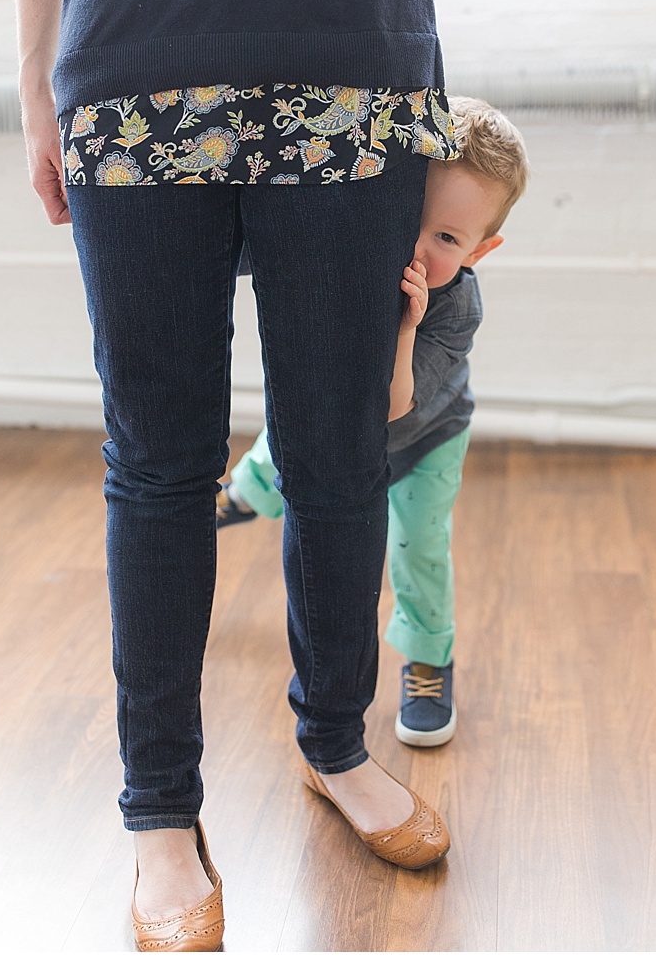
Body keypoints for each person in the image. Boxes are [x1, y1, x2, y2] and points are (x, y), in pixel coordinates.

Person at [12, 0, 524, 949]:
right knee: (161, 462)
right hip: (134, 78)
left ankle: (332, 744)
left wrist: (424, 100)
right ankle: (159, 811)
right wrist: (35, 89)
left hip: (355, 82)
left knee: (339, 446)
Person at [218, 97, 530, 751]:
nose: (418, 248)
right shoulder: (352, 255)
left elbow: (392, 407)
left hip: (422, 440)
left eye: (446, 239)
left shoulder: (454, 311)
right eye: (412, 219)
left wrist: (406, 323)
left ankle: (427, 659)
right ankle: (245, 492)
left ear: (482, 250)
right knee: (288, 448)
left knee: (420, 547)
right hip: (331, 422)